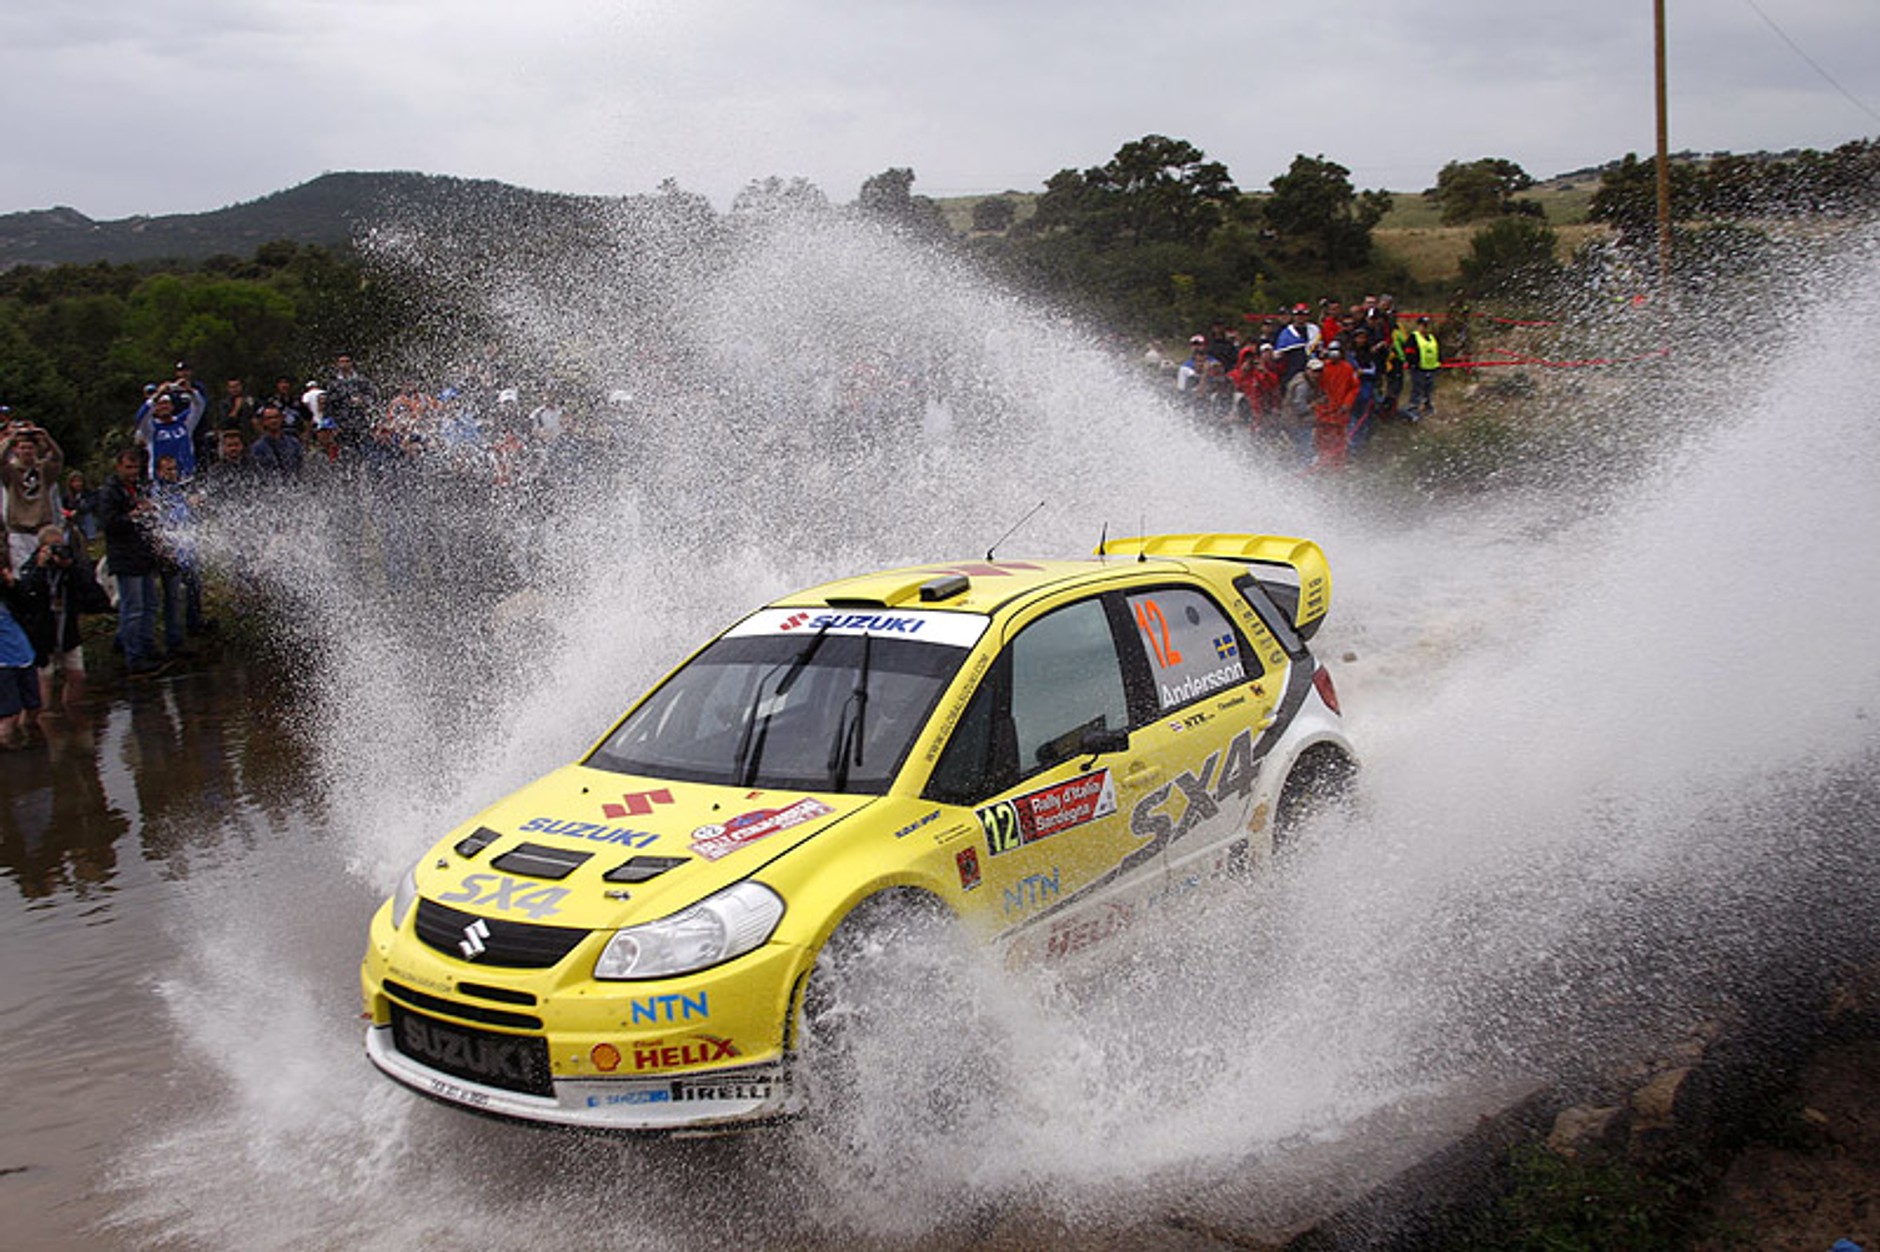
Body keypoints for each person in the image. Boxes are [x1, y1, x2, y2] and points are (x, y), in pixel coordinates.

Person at [15, 523, 109, 712]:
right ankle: (43, 719)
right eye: (53, 547)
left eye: (60, 545)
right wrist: (41, 568)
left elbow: (93, 591)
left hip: (68, 630)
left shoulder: (72, 565)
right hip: (42, 634)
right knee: (45, 681)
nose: (57, 551)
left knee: (77, 676)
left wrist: (70, 566)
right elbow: (26, 595)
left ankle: (71, 714)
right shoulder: (31, 567)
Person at [99, 447, 165, 676]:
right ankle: (133, 656)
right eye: (128, 467)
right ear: (118, 467)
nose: (132, 472)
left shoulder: (138, 487)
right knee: (133, 608)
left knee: (150, 604)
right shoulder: (110, 491)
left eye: (135, 468)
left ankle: (147, 646)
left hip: (143, 554)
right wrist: (132, 516)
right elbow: (108, 523)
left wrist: (149, 512)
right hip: (125, 557)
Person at [1, 420, 66, 573]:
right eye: (23, 448)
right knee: (22, 573)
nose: (27, 451)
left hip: (42, 529)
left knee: (46, 570)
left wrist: (47, 439)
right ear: (17, 450)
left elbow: (58, 458)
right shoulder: (10, 471)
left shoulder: (44, 469)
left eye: (30, 447)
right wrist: (11, 439)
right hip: (19, 531)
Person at [0, 560, 40, 746]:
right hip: (3, 663)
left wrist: (12, 585)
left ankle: (26, 741)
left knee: (32, 705)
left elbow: (30, 606)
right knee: (10, 713)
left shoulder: (8, 594)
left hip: (23, 654)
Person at [135, 385, 205, 481]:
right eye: (159, 404)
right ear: (154, 409)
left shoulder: (184, 422)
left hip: (187, 477)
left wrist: (189, 390)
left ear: (172, 406)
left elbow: (199, 405)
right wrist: (157, 395)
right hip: (160, 480)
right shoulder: (150, 428)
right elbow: (140, 417)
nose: (163, 407)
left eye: (166, 403)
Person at [1315, 348, 1359, 471]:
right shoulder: (1322, 367)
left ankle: (1338, 463)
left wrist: (1347, 403)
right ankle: (1322, 461)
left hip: (1340, 410)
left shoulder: (1348, 368)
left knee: (1339, 437)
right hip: (1324, 410)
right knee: (1322, 437)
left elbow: (1354, 388)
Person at [1281, 357, 1322, 465]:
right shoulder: (1303, 385)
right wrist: (1314, 405)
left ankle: (1300, 466)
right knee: (1305, 449)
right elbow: (1300, 407)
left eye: (1319, 371)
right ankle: (1304, 469)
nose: (1317, 374)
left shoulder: (1301, 378)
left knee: (1300, 448)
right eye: (1314, 371)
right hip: (1296, 422)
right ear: (1308, 370)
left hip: (1294, 420)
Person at [247, 404, 304, 477]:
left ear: (282, 418)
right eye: (269, 418)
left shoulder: (294, 443)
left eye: (276, 417)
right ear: (263, 421)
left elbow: (300, 466)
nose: (273, 421)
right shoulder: (258, 447)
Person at [1407, 315, 1442, 420]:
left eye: (1427, 325)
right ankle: (1413, 409)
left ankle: (1427, 407)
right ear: (1419, 326)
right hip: (1418, 369)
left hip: (1431, 368)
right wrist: (1413, 363)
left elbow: (1437, 351)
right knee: (1417, 390)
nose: (1425, 328)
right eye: (1423, 325)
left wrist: (1439, 362)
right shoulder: (1414, 337)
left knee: (1429, 390)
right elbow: (1409, 351)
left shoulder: (1432, 337)